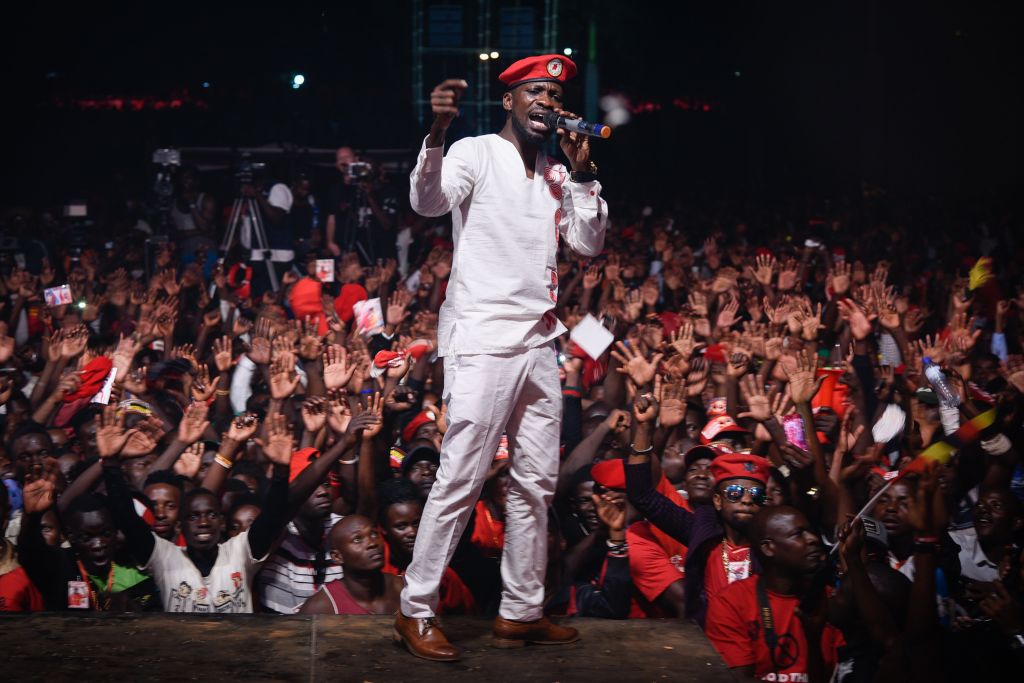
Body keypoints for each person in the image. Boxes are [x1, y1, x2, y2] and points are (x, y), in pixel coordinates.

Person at [395, 53, 608, 661]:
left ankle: (520, 611)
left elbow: (589, 243)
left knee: (536, 483)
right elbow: (428, 202)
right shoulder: (474, 151)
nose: (547, 101)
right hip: (485, 337)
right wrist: (435, 133)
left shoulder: (557, 173)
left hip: (541, 339)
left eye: (554, 93)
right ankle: (415, 609)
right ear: (509, 99)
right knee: (461, 476)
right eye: (535, 91)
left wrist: (585, 176)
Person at [705, 505, 842, 682]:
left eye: (810, 531)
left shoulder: (828, 598)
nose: (813, 539)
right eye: (798, 534)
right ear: (768, 548)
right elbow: (737, 679)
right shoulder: (731, 602)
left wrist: (813, 641)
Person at [297, 514, 403, 615]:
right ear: (337, 557)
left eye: (374, 534)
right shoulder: (322, 606)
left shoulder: (405, 588)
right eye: (357, 540)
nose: (372, 543)